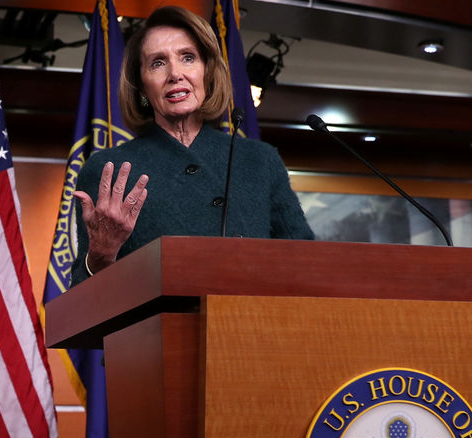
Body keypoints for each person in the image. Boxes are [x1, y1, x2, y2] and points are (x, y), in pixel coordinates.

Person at [71, 6, 313, 285]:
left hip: (253, 324)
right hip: (155, 328)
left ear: (207, 72)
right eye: (157, 63)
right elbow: (82, 294)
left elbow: (305, 263)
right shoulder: (108, 170)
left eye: (188, 58)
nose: (175, 73)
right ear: (141, 86)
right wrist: (101, 256)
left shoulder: (260, 160)